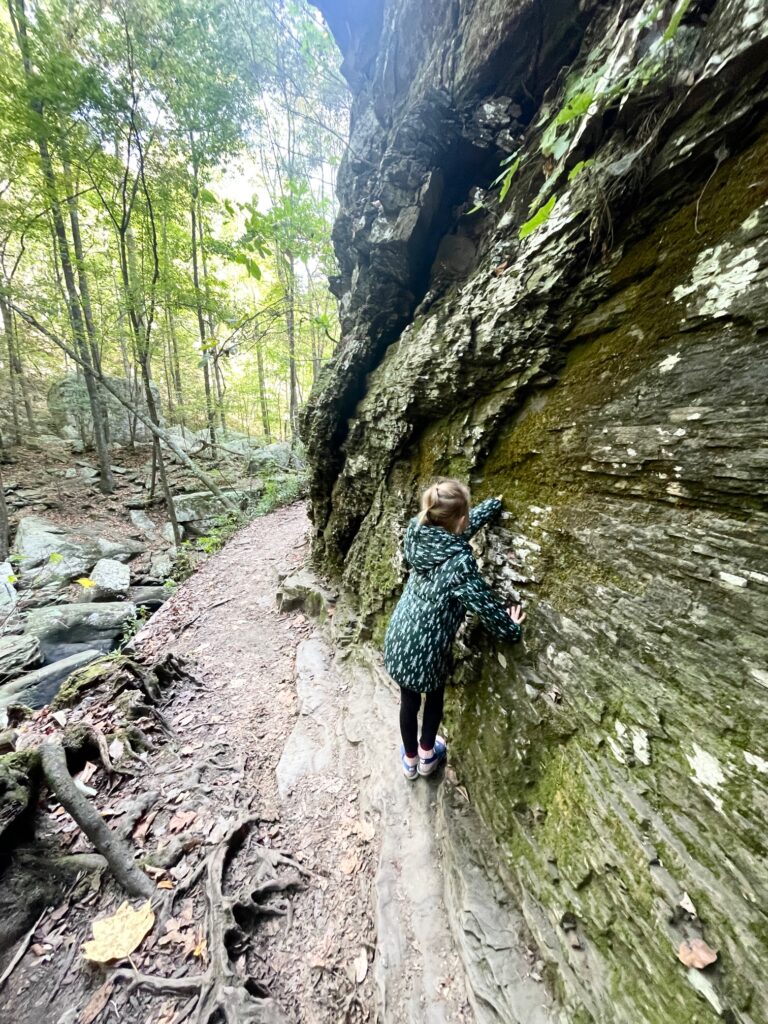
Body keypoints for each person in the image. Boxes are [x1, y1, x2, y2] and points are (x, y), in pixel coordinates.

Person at [384, 478, 525, 780]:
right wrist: (510, 628)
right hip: (427, 648)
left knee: (408, 701)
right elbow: (484, 605)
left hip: (399, 636)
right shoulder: (459, 563)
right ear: (461, 520)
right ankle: (427, 754)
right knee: (433, 698)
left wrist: (490, 507)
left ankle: (409, 763)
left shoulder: (418, 530)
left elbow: (452, 537)